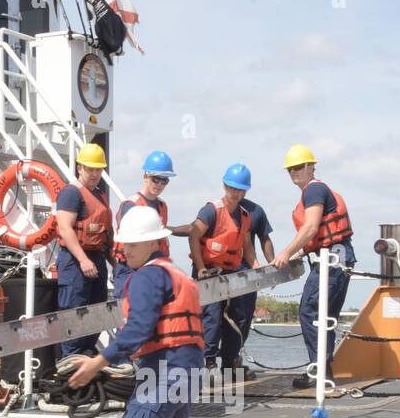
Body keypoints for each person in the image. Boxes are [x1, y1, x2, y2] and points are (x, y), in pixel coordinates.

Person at [67, 206, 205, 418]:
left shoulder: (147, 276)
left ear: (154, 242)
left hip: (165, 370)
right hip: (187, 370)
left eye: (133, 244)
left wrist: (97, 363)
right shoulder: (174, 273)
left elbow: (138, 328)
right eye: (124, 244)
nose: (125, 251)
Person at [272, 144, 356, 389]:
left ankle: (318, 371)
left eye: (299, 167)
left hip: (333, 259)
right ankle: (323, 370)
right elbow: (315, 237)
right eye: (290, 169)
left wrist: (286, 252)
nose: (294, 172)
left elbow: (310, 228)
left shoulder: (314, 190)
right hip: (337, 256)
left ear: (311, 167)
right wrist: (297, 254)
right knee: (324, 315)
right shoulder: (314, 191)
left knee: (310, 310)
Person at [188, 164, 257, 371]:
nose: (235, 193)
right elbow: (193, 236)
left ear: (245, 191)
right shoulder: (211, 210)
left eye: (240, 190)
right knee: (212, 317)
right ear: (225, 186)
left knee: (238, 315)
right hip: (208, 271)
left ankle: (230, 361)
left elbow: (247, 245)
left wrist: (256, 266)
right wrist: (200, 268)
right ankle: (208, 361)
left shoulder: (245, 216)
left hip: (231, 272)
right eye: (232, 188)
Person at [54, 142, 113, 356]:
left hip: (97, 258)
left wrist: (114, 262)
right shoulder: (71, 193)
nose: (95, 174)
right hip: (75, 261)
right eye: (90, 169)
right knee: (75, 312)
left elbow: (106, 234)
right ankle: (70, 360)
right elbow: (65, 228)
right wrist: (83, 260)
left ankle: (87, 355)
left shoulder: (100, 195)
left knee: (97, 311)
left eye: (98, 169)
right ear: (80, 168)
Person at [111, 150, 193, 300]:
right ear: (145, 176)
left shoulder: (162, 206)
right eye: (156, 179)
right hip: (131, 269)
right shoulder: (131, 205)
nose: (160, 184)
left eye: (164, 181)